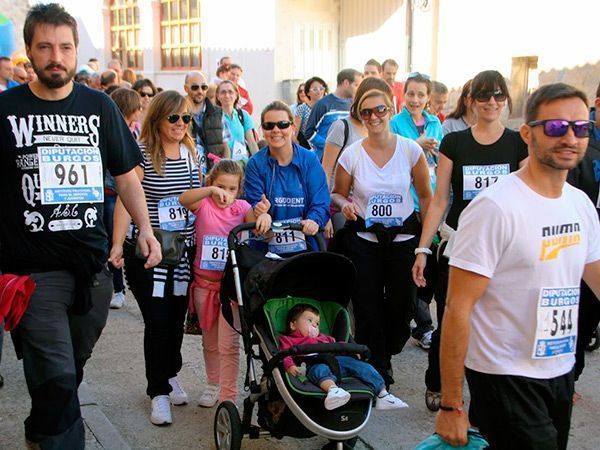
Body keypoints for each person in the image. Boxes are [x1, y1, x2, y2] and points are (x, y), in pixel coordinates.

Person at [0, 4, 160, 448]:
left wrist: (143, 230)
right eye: (45, 47)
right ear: (29, 52)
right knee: (57, 371)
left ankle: (41, 427)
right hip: (32, 271)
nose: (56, 56)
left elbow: (127, 173)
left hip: (92, 270)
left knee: (69, 367)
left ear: (75, 52)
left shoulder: (99, 106)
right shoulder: (6, 109)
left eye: (65, 47)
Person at [434, 82, 600, 449]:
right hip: (503, 375)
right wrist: (451, 402)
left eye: (580, 127)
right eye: (556, 127)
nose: (569, 137)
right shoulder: (495, 207)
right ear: (527, 133)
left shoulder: (581, 205)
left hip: (559, 370)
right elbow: (457, 308)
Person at [412, 70, 528, 412]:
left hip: (504, 250)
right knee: (451, 318)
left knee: (497, 323)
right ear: (471, 100)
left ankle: (488, 392)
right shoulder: (455, 143)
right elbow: (440, 199)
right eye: (483, 95)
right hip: (460, 245)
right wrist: (422, 248)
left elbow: (525, 198)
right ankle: (439, 383)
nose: (491, 102)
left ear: (505, 100)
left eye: (497, 95)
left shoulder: (517, 143)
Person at [331, 87, 432, 386]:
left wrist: (425, 246)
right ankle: (378, 369)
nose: (373, 116)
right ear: (359, 116)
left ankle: (387, 349)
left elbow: (426, 197)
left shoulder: (411, 150)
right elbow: (337, 193)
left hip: (403, 240)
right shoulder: (352, 154)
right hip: (365, 240)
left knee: (403, 307)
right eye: (366, 112)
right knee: (367, 305)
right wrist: (344, 205)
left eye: (380, 110)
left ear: (391, 109)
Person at [111, 90, 200, 426]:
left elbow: (193, 199)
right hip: (148, 252)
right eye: (173, 118)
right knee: (157, 320)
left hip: (181, 251)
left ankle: (170, 373)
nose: (180, 124)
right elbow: (125, 199)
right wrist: (118, 244)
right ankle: (157, 391)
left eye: (186, 118)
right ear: (158, 118)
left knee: (175, 319)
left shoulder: (192, 152)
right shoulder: (144, 154)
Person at [179, 159, 270, 407]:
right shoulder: (204, 203)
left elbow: (259, 225)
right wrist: (210, 190)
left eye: (231, 188)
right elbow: (184, 199)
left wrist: (264, 215)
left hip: (231, 288)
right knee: (209, 341)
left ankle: (227, 395)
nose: (225, 194)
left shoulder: (241, 208)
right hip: (204, 285)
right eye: (221, 186)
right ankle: (212, 383)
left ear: (239, 189)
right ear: (211, 183)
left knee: (228, 344)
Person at [390, 72, 444, 351]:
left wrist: (431, 151)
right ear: (403, 95)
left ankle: (421, 318)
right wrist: (416, 147)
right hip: (406, 202)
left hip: (431, 198)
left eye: (420, 94)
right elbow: (390, 158)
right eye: (410, 93)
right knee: (414, 263)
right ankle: (423, 326)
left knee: (431, 264)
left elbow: (442, 160)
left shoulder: (436, 123)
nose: (415, 99)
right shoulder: (395, 124)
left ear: (428, 97)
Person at [279, 304, 408, 410]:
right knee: (320, 370)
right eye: (310, 321)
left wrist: (350, 350)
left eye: (317, 323)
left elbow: (338, 345)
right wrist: (289, 365)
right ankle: (333, 390)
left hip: (336, 362)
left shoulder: (324, 338)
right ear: (293, 325)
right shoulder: (289, 340)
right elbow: (284, 354)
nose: (314, 325)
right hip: (311, 363)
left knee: (360, 365)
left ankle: (382, 394)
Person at [245, 101, 330, 254]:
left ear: (293, 127)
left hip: (307, 246)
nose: (276, 130)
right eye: (269, 126)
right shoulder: (255, 164)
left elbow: (321, 200)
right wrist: (260, 211)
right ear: (262, 130)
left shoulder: (310, 160)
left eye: (283, 124)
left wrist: (314, 220)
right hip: (266, 250)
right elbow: (252, 201)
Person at [322, 77, 392, 235]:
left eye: (381, 107)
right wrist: (324, 213)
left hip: (373, 208)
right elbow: (325, 171)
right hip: (343, 207)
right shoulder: (342, 127)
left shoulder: (381, 129)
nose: (375, 114)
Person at [566, 80, 600, 401]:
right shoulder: (580, 148)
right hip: (578, 241)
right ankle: (569, 377)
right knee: (575, 310)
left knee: (589, 314)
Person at [106, 88, 143, 309]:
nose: (140, 110)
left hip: (125, 191)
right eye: (137, 106)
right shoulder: (114, 130)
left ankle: (119, 287)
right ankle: (118, 288)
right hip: (111, 193)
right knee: (113, 241)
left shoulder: (135, 130)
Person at [305, 68, 363, 161]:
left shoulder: (354, 105)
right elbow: (309, 133)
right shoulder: (323, 104)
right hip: (325, 160)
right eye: (356, 85)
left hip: (348, 162)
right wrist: (330, 146)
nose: (358, 89)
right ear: (346, 83)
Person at [184, 71, 227, 178]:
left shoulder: (218, 113)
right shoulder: (179, 114)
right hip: (187, 173)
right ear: (186, 88)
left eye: (204, 87)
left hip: (213, 174)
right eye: (195, 87)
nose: (200, 91)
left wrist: (223, 171)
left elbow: (226, 146)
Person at [215, 80, 258, 163]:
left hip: (243, 163)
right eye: (223, 92)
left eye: (230, 92)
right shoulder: (215, 117)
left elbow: (252, 143)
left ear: (236, 95)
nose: (227, 95)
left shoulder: (243, 115)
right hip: (225, 165)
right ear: (217, 96)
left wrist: (259, 165)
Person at [293, 76, 328, 148]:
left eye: (321, 89)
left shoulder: (328, 108)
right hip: (308, 147)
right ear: (308, 92)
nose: (318, 91)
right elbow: (295, 133)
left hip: (326, 146)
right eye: (314, 89)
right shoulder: (302, 108)